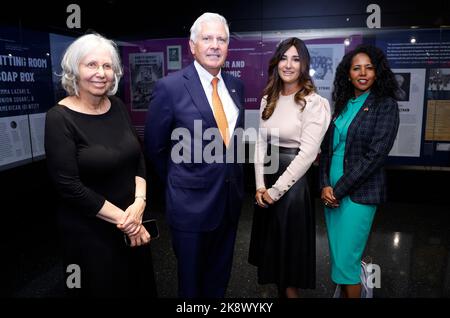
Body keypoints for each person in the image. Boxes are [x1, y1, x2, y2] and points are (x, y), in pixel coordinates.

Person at [44, 33, 157, 298]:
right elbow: (68, 187)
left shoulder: (116, 106)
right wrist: (127, 221)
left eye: (107, 66)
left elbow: (137, 157)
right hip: (92, 235)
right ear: (74, 70)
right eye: (91, 65)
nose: (101, 73)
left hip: (132, 222)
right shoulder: (58, 118)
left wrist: (139, 203)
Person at [144, 12, 245, 298]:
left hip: (229, 204)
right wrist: (182, 180)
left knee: (218, 281)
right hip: (189, 207)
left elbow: (233, 144)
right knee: (191, 285)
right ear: (192, 45)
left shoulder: (237, 86)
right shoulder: (170, 87)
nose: (215, 45)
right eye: (207, 38)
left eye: (221, 39)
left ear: (228, 46)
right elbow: (155, 147)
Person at [248, 37, 331, 298]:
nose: (288, 64)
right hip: (270, 180)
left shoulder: (313, 102)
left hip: (292, 187)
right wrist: (260, 186)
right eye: (284, 57)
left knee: (289, 272)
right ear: (276, 62)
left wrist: (276, 190)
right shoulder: (267, 99)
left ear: (304, 64)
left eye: (296, 59)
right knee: (274, 266)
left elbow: (307, 155)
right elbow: (260, 144)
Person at [319, 44, 400, 298]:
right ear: (348, 73)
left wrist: (338, 190)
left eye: (369, 68)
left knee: (346, 262)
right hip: (330, 193)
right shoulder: (343, 104)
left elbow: (375, 156)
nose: (363, 73)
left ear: (378, 73)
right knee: (339, 259)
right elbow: (327, 150)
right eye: (356, 68)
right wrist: (324, 185)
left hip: (357, 195)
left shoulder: (385, 105)